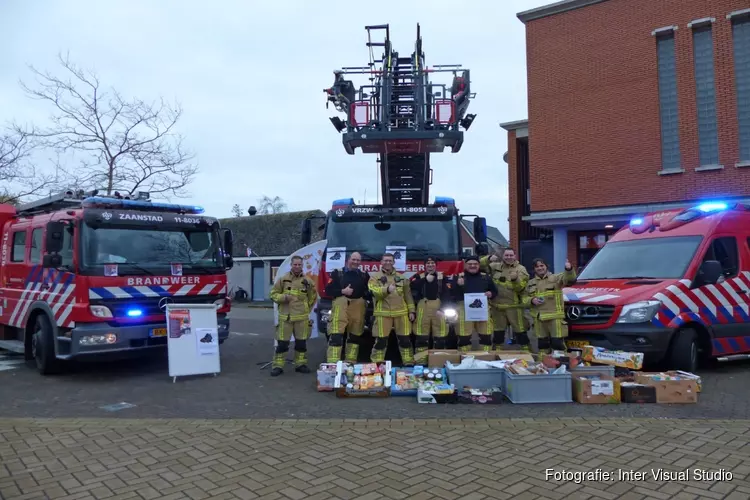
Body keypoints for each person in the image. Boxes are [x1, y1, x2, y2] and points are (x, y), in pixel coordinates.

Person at [269, 255, 318, 376]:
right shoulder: (283, 279)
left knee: (301, 344)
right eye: (295, 264)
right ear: (291, 265)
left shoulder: (308, 281)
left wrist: (305, 309)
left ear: (302, 266)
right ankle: (278, 366)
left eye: (299, 264)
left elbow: (313, 298)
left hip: (301, 319)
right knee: (282, 344)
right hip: (286, 318)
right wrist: (284, 297)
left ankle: (300, 364)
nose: (297, 267)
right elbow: (273, 294)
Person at [368, 253, 416, 364]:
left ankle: (408, 363)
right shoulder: (374, 277)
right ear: (381, 262)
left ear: (394, 262)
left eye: (390, 261)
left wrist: (411, 311)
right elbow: (375, 292)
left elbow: (408, 296)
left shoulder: (402, 278)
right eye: (385, 260)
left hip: (401, 313)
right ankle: (377, 364)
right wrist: (387, 290)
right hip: (382, 314)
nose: (388, 263)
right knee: (381, 341)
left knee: (405, 340)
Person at [523, 258, 577, 354]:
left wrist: (569, 269)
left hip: (555, 318)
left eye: (542, 265)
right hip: (539, 319)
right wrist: (532, 300)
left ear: (546, 266)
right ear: (534, 269)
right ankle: (544, 366)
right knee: (542, 345)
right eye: (537, 266)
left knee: (558, 344)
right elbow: (524, 299)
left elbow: (570, 279)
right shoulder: (530, 283)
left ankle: (561, 365)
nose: (540, 268)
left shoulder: (556, 278)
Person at [445, 255, 498, 352]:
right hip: (464, 312)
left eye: (475, 264)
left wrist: (491, 293)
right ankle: (465, 359)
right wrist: (458, 286)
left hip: (482, 311)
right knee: (464, 339)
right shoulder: (458, 277)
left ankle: (485, 358)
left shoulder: (485, 277)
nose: (473, 266)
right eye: (470, 264)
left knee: (485, 337)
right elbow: (452, 294)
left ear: (479, 265)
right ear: (465, 265)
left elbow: (495, 292)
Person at [481, 248, 530, 351]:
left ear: (515, 256)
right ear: (502, 256)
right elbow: (478, 266)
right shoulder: (495, 266)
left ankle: (527, 353)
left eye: (511, 255)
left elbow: (521, 288)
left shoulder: (521, 269)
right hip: (497, 307)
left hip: (515, 307)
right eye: (506, 255)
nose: (508, 257)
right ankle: (497, 354)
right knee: (498, 333)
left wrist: (515, 279)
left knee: (521, 332)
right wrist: (488, 258)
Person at [325, 252, 370, 363]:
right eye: (353, 259)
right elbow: (328, 290)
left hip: (358, 306)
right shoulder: (337, 273)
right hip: (341, 305)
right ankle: (333, 363)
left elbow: (368, 291)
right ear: (348, 259)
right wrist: (342, 291)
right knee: (336, 335)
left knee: (355, 336)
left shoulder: (364, 275)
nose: (355, 262)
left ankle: (350, 361)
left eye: (358, 260)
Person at [409, 256, 450, 353]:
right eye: (428, 263)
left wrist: (443, 309)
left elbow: (447, 294)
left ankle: (438, 359)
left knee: (440, 335)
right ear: (424, 265)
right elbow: (411, 287)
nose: (430, 265)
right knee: (421, 336)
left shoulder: (442, 277)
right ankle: (421, 361)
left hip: (438, 308)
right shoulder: (419, 276)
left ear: (436, 265)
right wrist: (425, 280)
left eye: (432, 263)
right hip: (423, 308)